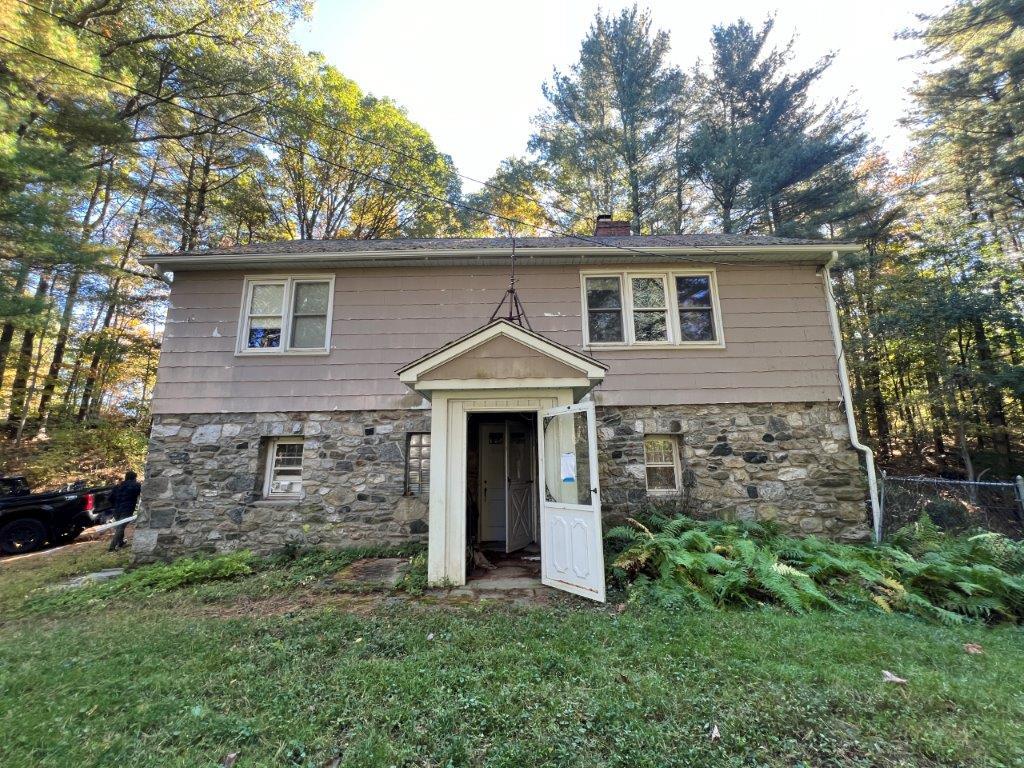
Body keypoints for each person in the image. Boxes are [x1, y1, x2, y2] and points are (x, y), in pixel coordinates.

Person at [107, 470, 141, 551]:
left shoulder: (118, 486)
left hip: (117, 509)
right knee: (120, 527)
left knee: (119, 525)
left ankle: (121, 542)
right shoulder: (136, 485)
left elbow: (110, 498)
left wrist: (115, 504)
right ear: (134, 478)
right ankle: (112, 548)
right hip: (127, 509)